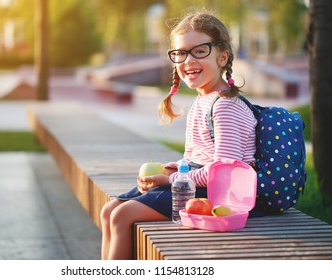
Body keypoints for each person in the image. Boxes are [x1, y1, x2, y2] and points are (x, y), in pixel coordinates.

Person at [100, 11, 257, 260]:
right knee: (109, 210)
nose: (188, 60)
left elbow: (224, 171)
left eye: (200, 51)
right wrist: (173, 170)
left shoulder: (225, 106)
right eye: (181, 53)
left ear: (222, 57)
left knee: (122, 215)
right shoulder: (203, 101)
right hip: (197, 183)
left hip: (217, 193)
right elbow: (195, 158)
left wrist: (172, 181)